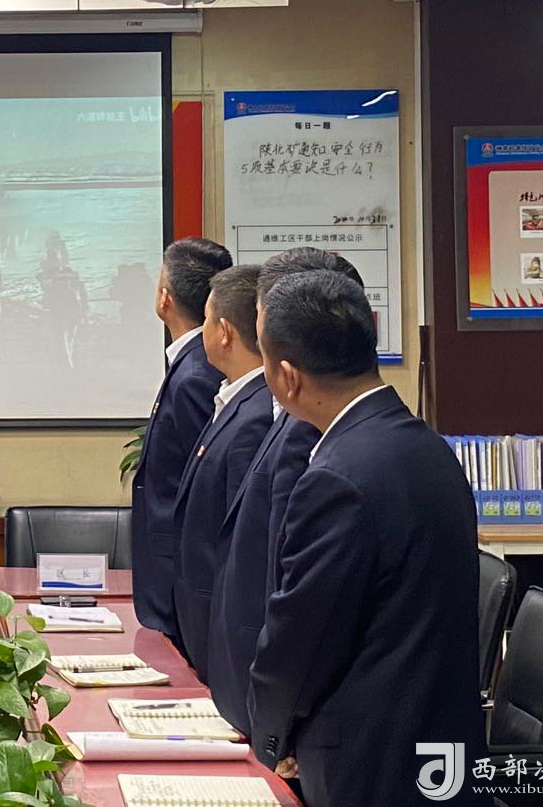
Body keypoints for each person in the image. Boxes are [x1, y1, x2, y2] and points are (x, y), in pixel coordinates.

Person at [248, 271, 481, 807]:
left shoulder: (338, 477)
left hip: (369, 759)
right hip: (436, 744)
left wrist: (271, 736)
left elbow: (302, 634)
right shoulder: (426, 445)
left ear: (287, 376)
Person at [208, 247, 362, 737]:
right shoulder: (292, 415)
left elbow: (293, 586)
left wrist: (277, 722)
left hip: (300, 711)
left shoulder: (315, 435)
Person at [170, 265, 273, 675]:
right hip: (201, 620)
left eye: (207, 320)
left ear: (224, 332)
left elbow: (242, 538)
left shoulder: (257, 413)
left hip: (223, 630)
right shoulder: (231, 399)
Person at [131, 236, 233, 633]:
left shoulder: (195, 375)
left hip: (180, 579)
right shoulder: (191, 364)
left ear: (165, 298)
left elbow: (206, 486)